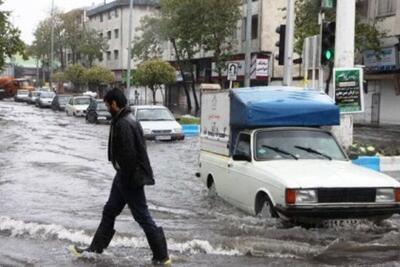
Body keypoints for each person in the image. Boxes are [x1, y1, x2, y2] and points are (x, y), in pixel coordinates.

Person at [70, 88, 171, 266]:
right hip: (123, 177)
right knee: (109, 211)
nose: (107, 108)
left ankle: (162, 256)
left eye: (108, 105)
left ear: (115, 104)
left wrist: (126, 181)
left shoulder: (124, 123)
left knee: (142, 215)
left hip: (130, 178)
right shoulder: (126, 118)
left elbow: (130, 156)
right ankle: (95, 249)